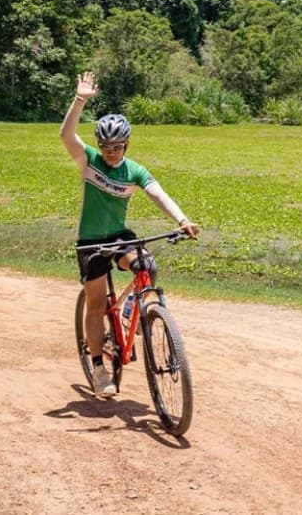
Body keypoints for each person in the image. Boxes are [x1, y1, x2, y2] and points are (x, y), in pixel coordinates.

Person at [60, 71, 200, 398]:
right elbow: (66, 136)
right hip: (90, 242)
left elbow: (157, 193)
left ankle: (134, 315)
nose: (111, 152)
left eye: (117, 147)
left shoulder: (133, 169)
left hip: (120, 236)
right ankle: (98, 369)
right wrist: (80, 99)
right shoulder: (89, 162)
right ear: (99, 146)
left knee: (146, 266)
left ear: (127, 144)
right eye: (106, 147)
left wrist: (182, 219)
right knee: (95, 306)